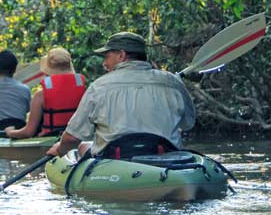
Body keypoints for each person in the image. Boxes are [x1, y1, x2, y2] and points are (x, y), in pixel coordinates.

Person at [46, 32, 195, 159]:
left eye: (107, 56)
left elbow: (72, 137)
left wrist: (60, 150)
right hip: (166, 156)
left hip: (117, 160)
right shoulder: (172, 82)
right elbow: (188, 123)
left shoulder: (99, 87)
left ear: (121, 55)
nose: (104, 63)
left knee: (83, 146)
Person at [5, 47, 87, 139]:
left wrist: (10, 132)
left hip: (49, 141)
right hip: (76, 140)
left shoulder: (40, 96)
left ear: (47, 70)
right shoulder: (84, 90)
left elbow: (28, 132)